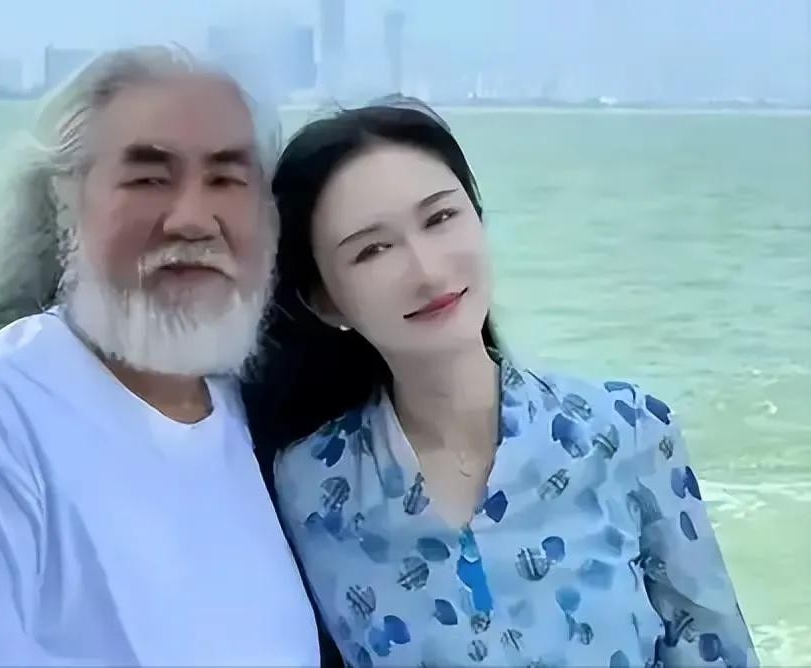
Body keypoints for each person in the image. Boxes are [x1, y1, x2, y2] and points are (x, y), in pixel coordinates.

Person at [241, 99, 759, 668]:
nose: (428, 270)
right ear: (324, 300)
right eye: (373, 250)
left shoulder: (627, 431)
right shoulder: (310, 484)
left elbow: (717, 651)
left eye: (440, 218)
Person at [0, 46, 323, 666]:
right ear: (64, 204)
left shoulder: (255, 420)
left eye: (227, 179)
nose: (192, 219)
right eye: (149, 178)